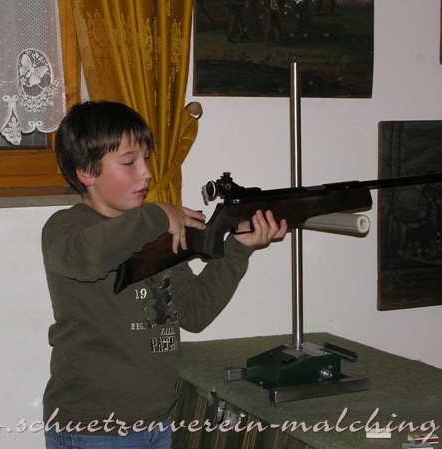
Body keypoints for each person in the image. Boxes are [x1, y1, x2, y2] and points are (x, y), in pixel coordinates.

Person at [42, 101, 287, 449]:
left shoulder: (159, 234)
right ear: (86, 172)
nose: (146, 172)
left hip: (156, 424)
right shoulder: (66, 227)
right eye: (129, 162)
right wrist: (157, 214)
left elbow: (193, 312)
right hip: (91, 430)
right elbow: (89, 259)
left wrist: (237, 250)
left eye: (146, 158)